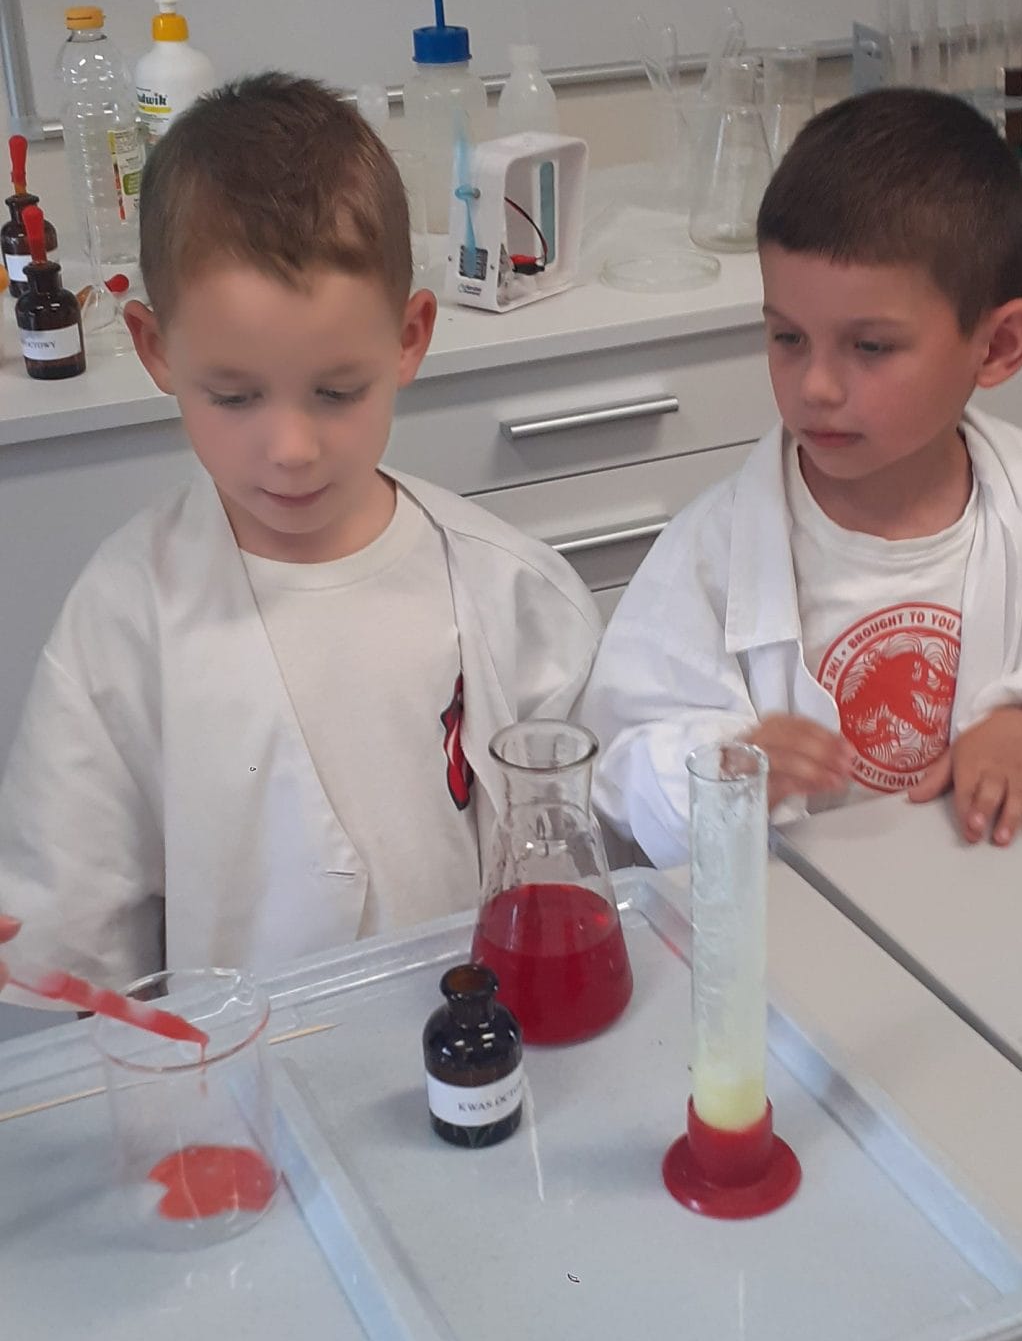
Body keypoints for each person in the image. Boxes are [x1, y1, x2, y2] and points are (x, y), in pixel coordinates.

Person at [0, 76, 599, 984]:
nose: (289, 450)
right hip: (235, 1062)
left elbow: (587, 861)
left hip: (479, 1035)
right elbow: (74, 941)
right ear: (157, 351)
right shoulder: (123, 618)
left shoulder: (510, 590)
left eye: (336, 391)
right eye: (234, 396)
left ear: (409, 337)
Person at [583, 88, 1022, 867]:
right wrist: (726, 766)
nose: (814, 387)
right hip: (797, 913)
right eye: (788, 338)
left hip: (995, 889)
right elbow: (620, 761)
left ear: (996, 347)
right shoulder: (710, 555)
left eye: (870, 347)